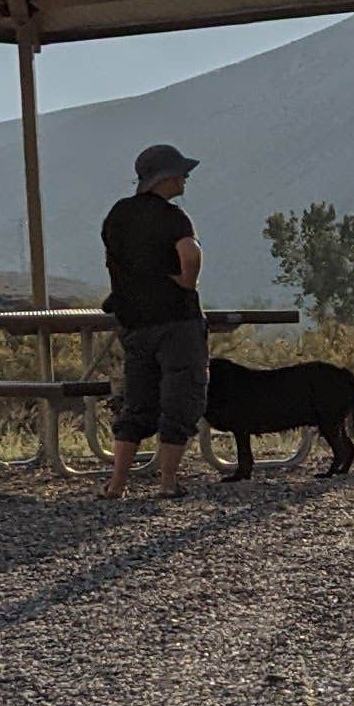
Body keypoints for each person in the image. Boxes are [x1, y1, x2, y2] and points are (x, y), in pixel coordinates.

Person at [98, 143, 208, 499]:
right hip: (177, 321)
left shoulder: (117, 215)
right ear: (164, 177)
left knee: (137, 402)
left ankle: (117, 483)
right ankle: (168, 481)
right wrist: (186, 283)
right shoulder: (174, 217)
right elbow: (189, 255)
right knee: (181, 397)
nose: (185, 178)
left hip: (134, 322)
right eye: (180, 173)